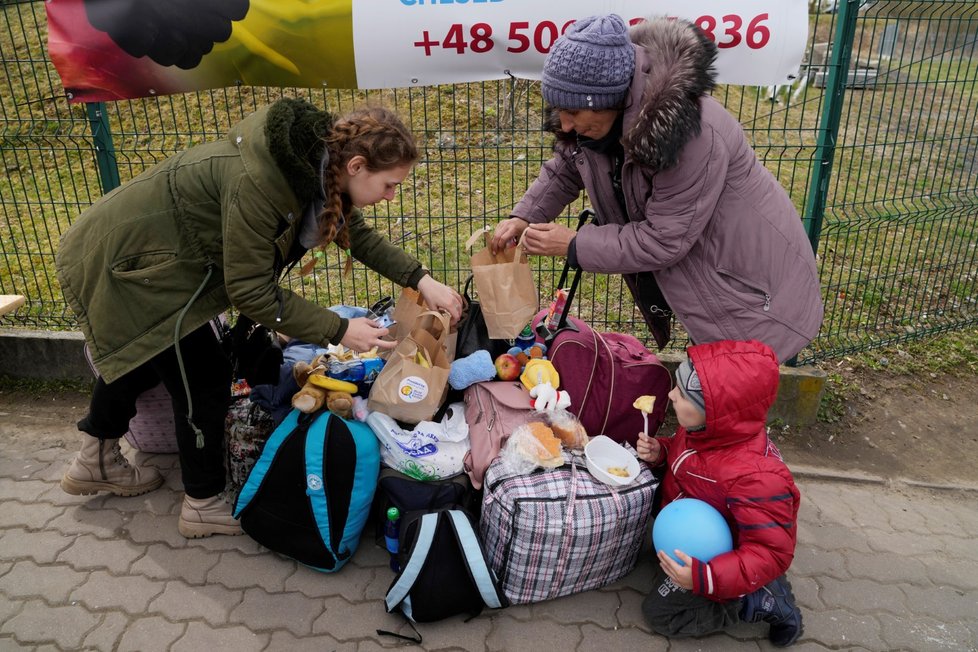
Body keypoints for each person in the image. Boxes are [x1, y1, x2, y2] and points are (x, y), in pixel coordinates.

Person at [56, 98, 463, 538]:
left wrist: (420, 279)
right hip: (131, 264)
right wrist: (340, 329)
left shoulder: (316, 170)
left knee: (143, 351)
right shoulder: (265, 184)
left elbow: (353, 233)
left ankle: (93, 460)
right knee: (202, 375)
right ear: (358, 165)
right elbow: (249, 291)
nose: (391, 196)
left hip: (145, 255)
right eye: (390, 185)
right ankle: (201, 501)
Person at [491, 14, 823, 363]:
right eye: (559, 109)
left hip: (753, 289)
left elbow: (664, 239)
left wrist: (575, 244)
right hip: (713, 279)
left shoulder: (689, 133)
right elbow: (568, 165)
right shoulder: (595, 123)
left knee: (737, 390)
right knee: (713, 388)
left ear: (614, 99)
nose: (564, 123)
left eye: (572, 111)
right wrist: (524, 216)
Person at [635, 339, 803, 647]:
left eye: (682, 393)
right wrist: (661, 450)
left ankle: (759, 600)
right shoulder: (701, 430)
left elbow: (771, 551)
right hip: (692, 531)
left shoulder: (758, 479)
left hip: (721, 558)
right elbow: (689, 459)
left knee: (660, 614)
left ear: (713, 412)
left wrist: (706, 577)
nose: (671, 394)